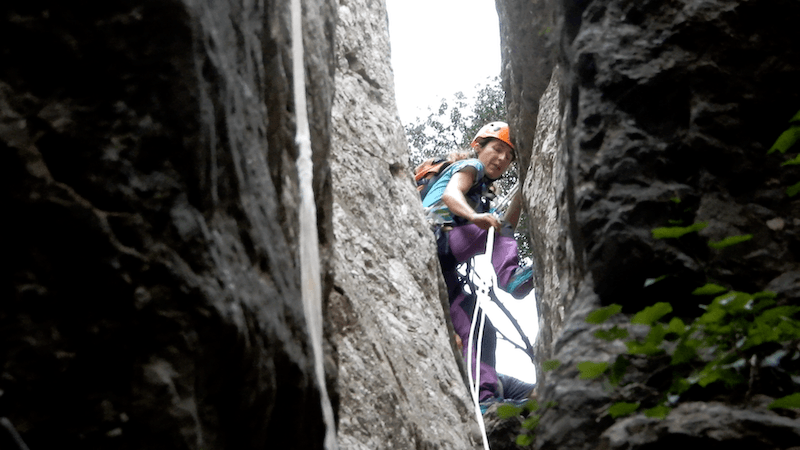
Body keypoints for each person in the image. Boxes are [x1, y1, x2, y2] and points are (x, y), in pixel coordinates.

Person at [421, 121, 533, 406]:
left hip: (441, 270)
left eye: (509, 157)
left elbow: (505, 227)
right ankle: (509, 278)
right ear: (478, 147)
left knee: (478, 324)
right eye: (496, 149)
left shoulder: (484, 196)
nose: (502, 159)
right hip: (433, 238)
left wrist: (522, 190)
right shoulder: (471, 167)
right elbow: (450, 195)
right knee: (492, 228)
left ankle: (484, 401)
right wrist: (475, 219)